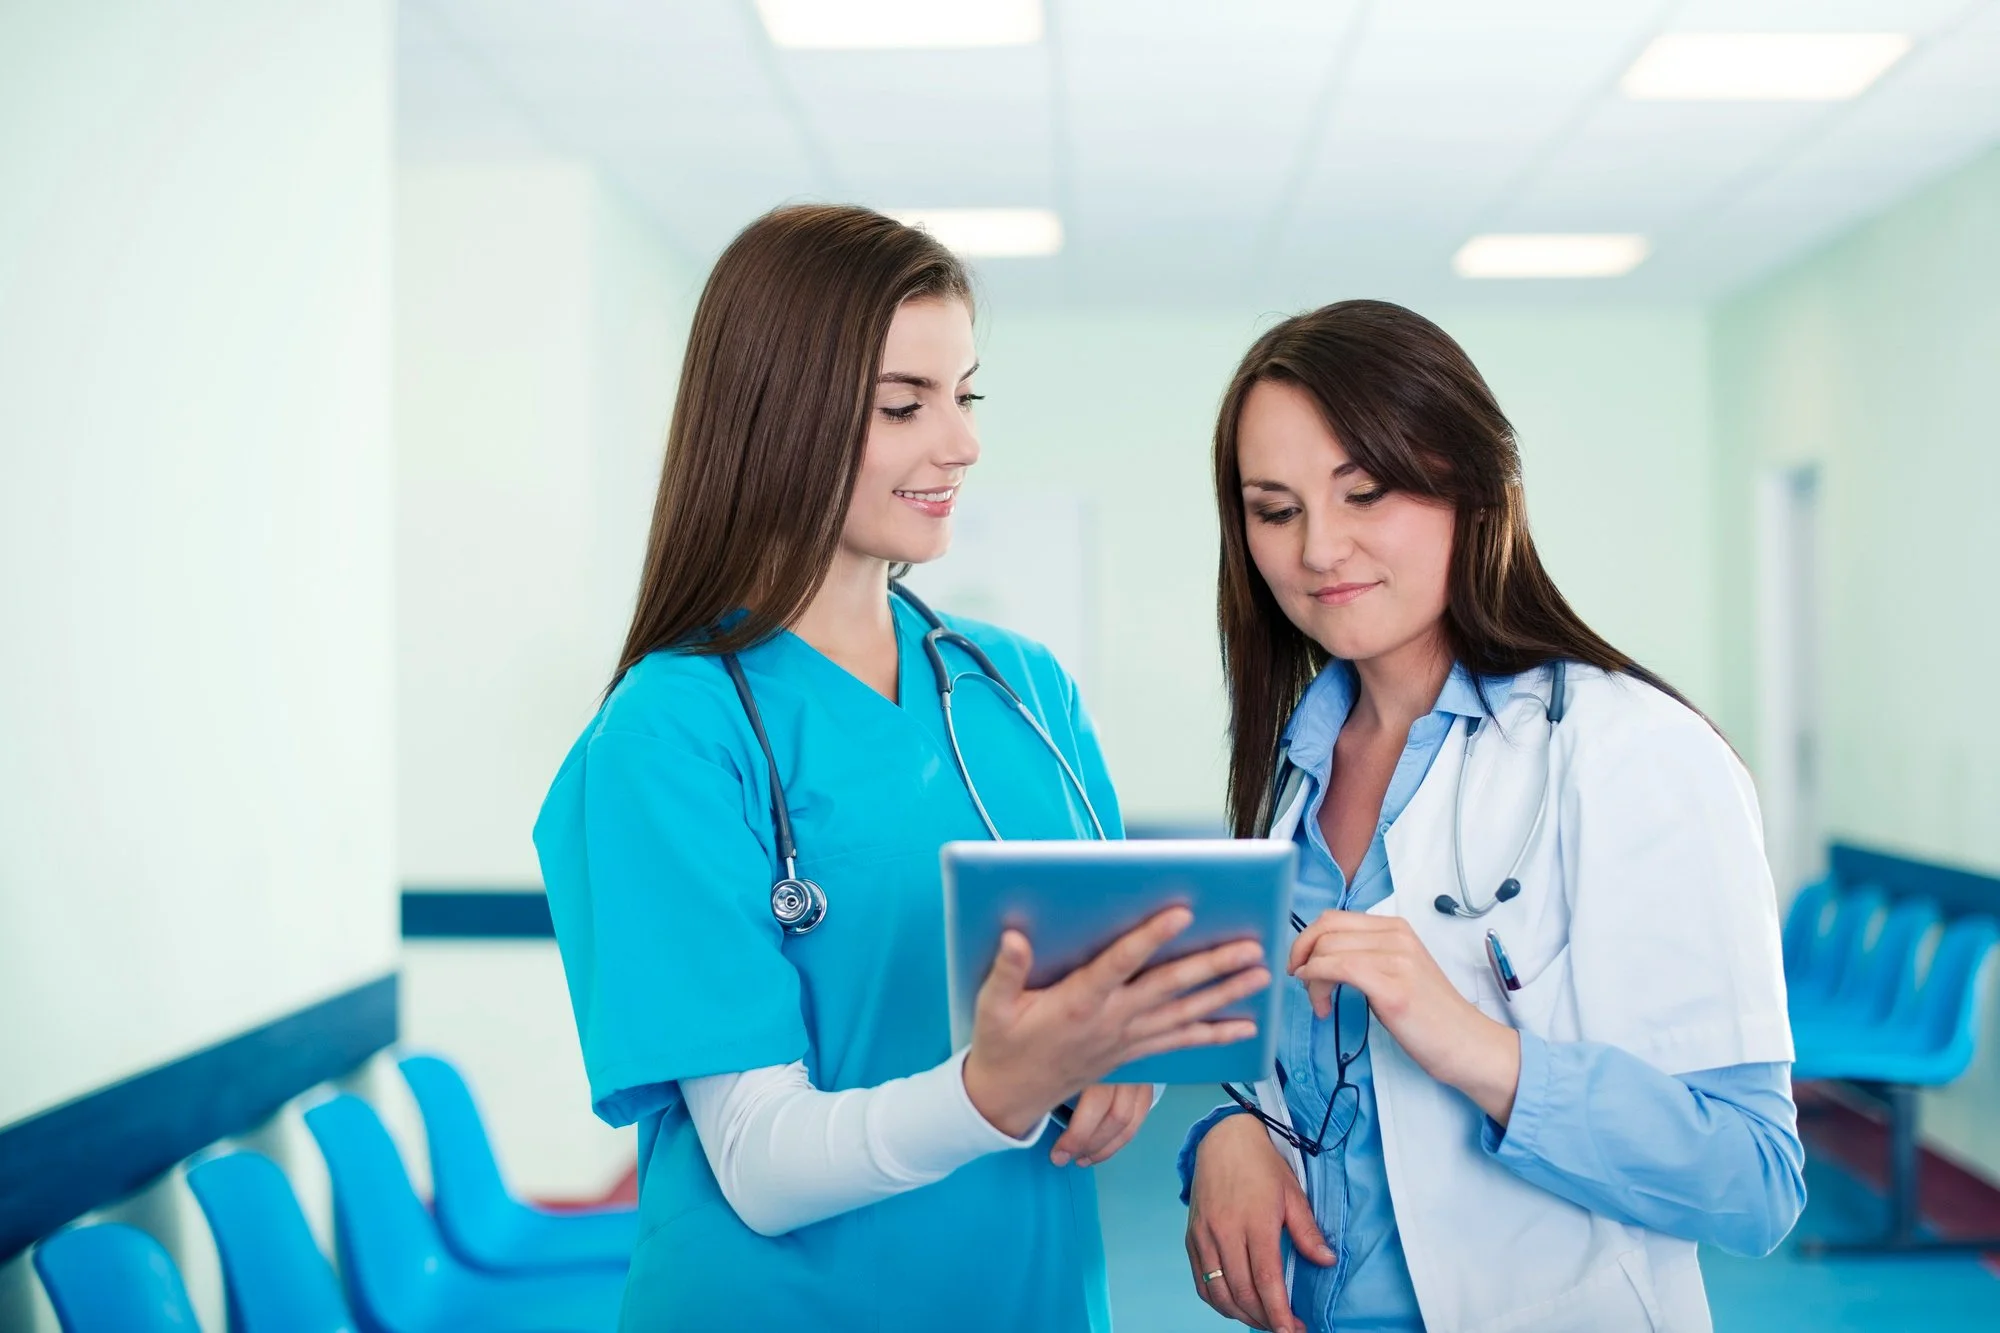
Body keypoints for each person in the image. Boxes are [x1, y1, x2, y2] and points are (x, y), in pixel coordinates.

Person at [532, 204, 1269, 1332]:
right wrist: (997, 1089)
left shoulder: (1017, 687)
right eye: (903, 406)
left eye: (964, 396)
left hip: (1028, 1296)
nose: (960, 442)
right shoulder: (668, 735)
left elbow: (1107, 965)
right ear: (778, 416)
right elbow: (759, 1164)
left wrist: (1114, 1048)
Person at [1180, 300, 1806, 1333]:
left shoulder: (1630, 753)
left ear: (1473, 490)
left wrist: (1467, 1042)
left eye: (1364, 491)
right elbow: (1312, 1090)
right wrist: (1224, 1136)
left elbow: (1750, 1180)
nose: (1316, 547)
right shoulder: (1292, 771)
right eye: (1272, 508)